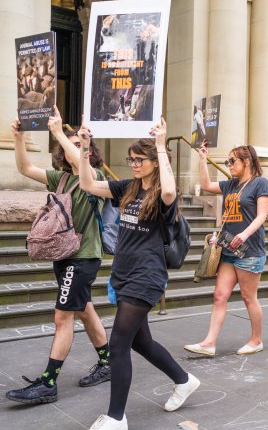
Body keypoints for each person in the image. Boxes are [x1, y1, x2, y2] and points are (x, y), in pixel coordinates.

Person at [78, 119, 200, 430]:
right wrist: (83, 151)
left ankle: (117, 417)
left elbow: (171, 190)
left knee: (118, 343)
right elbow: (89, 185)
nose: (133, 164)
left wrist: (161, 146)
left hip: (146, 275)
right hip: (123, 273)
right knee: (140, 342)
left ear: (153, 162)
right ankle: (184, 380)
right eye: (131, 159)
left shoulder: (163, 195)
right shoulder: (128, 187)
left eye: (138, 159)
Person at [5, 109, 111, 406]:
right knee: (84, 309)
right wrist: (18, 137)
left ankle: (49, 383)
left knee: (62, 316)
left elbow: (82, 162)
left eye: (81, 144)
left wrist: (60, 135)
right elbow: (26, 168)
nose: (74, 148)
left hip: (84, 257)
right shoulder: (61, 179)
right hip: (63, 254)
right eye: (71, 145)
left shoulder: (97, 178)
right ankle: (107, 361)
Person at [184, 144, 268, 357]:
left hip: (249, 250)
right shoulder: (231, 185)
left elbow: (262, 215)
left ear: (247, 161)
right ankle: (209, 343)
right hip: (228, 249)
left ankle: (256, 340)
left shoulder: (260, 183)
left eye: (233, 161)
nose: (229, 165)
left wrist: (245, 234)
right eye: (228, 162)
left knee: (248, 297)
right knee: (219, 295)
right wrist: (203, 160)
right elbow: (205, 184)